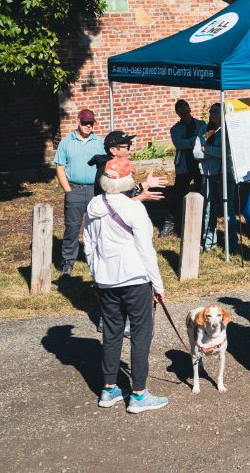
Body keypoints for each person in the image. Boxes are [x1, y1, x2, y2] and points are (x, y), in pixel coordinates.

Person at [82, 157, 169, 413]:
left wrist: (95, 272)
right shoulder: (134, 209)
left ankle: (109, 389)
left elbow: (88, 244)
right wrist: (158, 284)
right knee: (141, 333)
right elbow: (146, 250)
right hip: (134, 278)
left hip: (105, 279)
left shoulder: (94, 205)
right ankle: (139, 394)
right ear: (128, 181)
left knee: (112, 331)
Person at [55, 109, 106, 276]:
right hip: (74, 189)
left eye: (91, 123)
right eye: (85, 122)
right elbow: (60, 168)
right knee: (72, 228)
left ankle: (99, 259)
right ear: (79, 122)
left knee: (98, 226)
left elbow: (108, 164)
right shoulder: (66, 143)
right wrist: (68, 190)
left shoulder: (99, 142)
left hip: (95, 189)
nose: (88, 125)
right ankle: (68, 262)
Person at [164, 100, 206, 237]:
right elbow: (179, 144)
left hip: (199, 165)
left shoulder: (201, 124)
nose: (185, 114)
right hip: (184, 166)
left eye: (187, 110)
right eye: (182, 112)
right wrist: (196, 140)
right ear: (178, 113)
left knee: (201, 192)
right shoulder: (175, 129)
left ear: (190, 109)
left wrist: (195, 141)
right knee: (178, 194)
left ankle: (200, 223)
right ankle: (169, 223)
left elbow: (206, 140)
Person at [200, 103, 238, 252]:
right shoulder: (205, 129)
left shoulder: (228, 130)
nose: (212, 114)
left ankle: (232, 244)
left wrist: (207, 150)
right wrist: (212, 152)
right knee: (209, 208)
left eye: (215, 111)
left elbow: (226, 152)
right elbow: (197, 152)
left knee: (228, 208)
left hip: (225, 173)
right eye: (211, 111)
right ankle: (209, 242)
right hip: (209, 173)